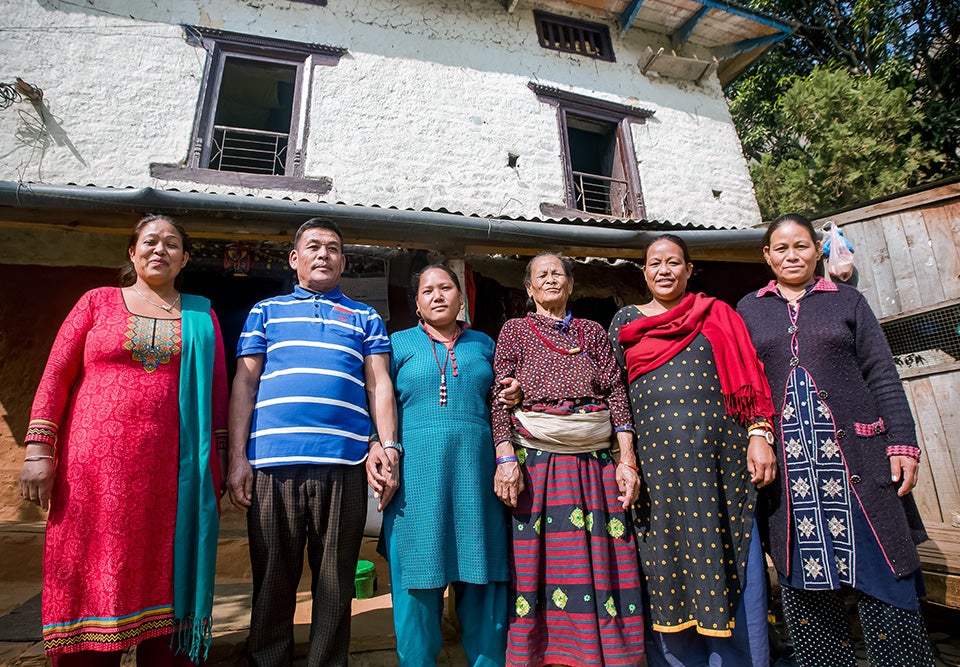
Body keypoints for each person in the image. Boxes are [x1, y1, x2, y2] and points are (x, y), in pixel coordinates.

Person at [19, 214, 228, 666]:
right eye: (150, 242)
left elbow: (217, 397)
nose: (160, 250)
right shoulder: (97, 302)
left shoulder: (200, 316)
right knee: (89, 569)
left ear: (185, 259)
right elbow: (55, 375)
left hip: (172, 480)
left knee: (165, 577)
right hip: (91, 475)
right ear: (131, 252)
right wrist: (39, 448)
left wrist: (222, 463)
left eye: (172, 244)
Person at [737, 214, 935, 667]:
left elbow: (882, 375)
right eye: (781, 248)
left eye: (801, 246)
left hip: (858, 462)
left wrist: (902, 443)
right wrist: (757, 436)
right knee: (807, 588)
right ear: (767, 256)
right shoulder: (749, 309)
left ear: (817, 251)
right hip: (792, 473)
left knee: (884, 574)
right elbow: (744, 384)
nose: (791, 256)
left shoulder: (848, 301)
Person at [227, 217, 398, 667]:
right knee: (272, 579)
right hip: (272, 464)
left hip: (343, 463)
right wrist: (237, 458)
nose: (324, 254)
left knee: (335, 581)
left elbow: (379, 385)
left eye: (334, 248)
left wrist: (386, 443)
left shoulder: (365, 317)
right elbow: (244, 385)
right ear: (295, 258)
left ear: (343, 261)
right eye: (314, 247)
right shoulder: (265, 311)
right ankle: (267, 660)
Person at [608, 233, 776, 667]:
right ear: (643, 271)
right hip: (656, 471)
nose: (664, 270)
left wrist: (759, 433)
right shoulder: (625, 322)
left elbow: (749, 379)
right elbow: (612, 396)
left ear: (689, 269)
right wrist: (624, 459)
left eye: (673, 262)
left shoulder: (718, 314)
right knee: (663, 561)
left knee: (729, 551)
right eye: (654, 263)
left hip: (721, 467)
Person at [491, 252, 645, 667]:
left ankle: (608, 651)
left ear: (572, 284)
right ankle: (545, 653)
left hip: (595, 462)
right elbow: (499, 400)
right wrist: (506, 457)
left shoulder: (592, 332)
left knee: (608, 556)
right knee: (539, 561)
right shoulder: (515, 332)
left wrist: (626, 461)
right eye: (542, 275)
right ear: (529, 289)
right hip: (538, 463)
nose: (551, 279)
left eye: (558, 273)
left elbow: (617, 394)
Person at [380, 264, 510, 666]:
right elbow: (377, 406)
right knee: (417, 584)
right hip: (417, 482)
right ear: (416, 304)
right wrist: (377, 445)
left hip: (477, 480)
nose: (438, 296)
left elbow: (503, 402)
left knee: (483, 578)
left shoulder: (484, 344)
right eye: (427, 291)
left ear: (461, 296)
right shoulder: (396, 344)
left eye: (446, 287)